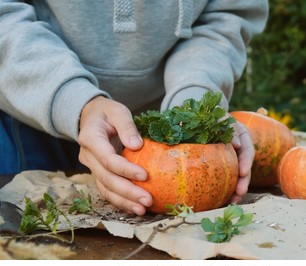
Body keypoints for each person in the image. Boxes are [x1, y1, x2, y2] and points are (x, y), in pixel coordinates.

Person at [0, 0, 269, 215]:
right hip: (28, 112)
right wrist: (75, 100)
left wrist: (196, 100)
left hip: (160, 128)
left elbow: (224, 16)